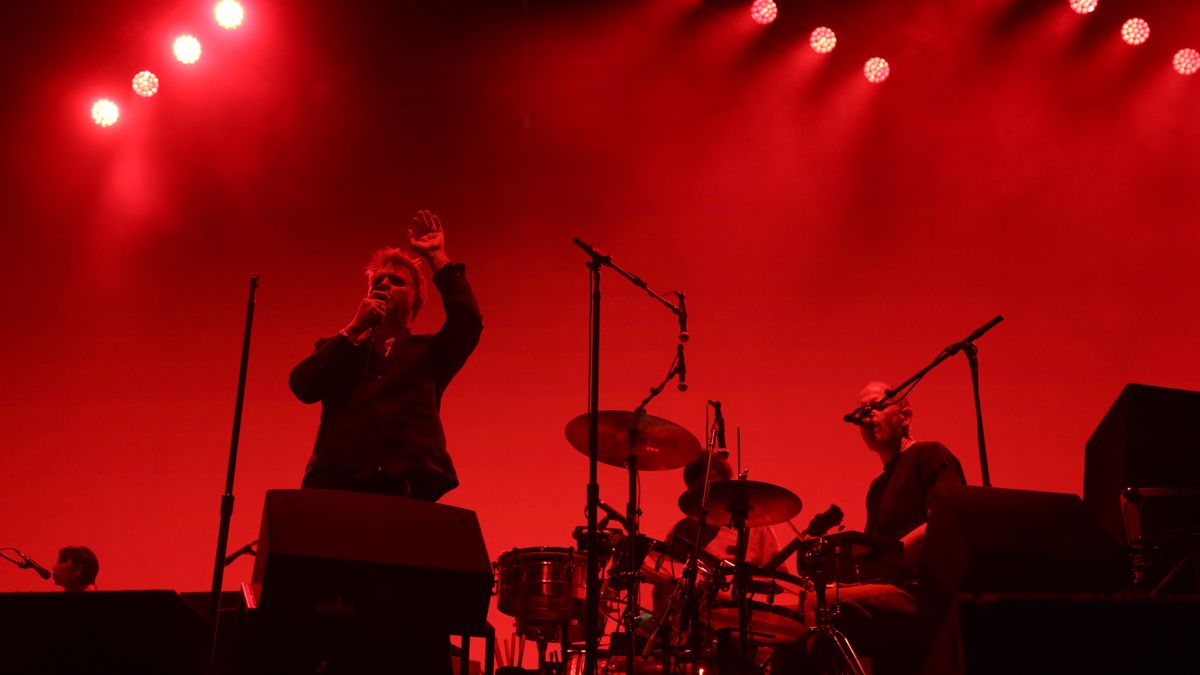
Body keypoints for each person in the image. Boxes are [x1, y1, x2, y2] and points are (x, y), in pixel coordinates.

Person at [289, 210, 483, 502]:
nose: (384, 285)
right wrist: (354, 329)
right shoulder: (341, 347)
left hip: (410, 486)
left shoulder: (429, 352)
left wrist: (437, 258)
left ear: (416, 299)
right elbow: (302, 385)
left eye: (396, 281)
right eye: (378, 281)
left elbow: (468, 321)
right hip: (337, 485)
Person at [781, 382, 967, 675]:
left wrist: (892, 557)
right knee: (801, 607)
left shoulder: (929, 454)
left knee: (819, 605)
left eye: (876, 407)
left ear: (904, 416)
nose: (866, 417)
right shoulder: (877, 487)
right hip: (891, 589)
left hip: (921, 591)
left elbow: (944, 523)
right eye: (861, 412)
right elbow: (873, 561)